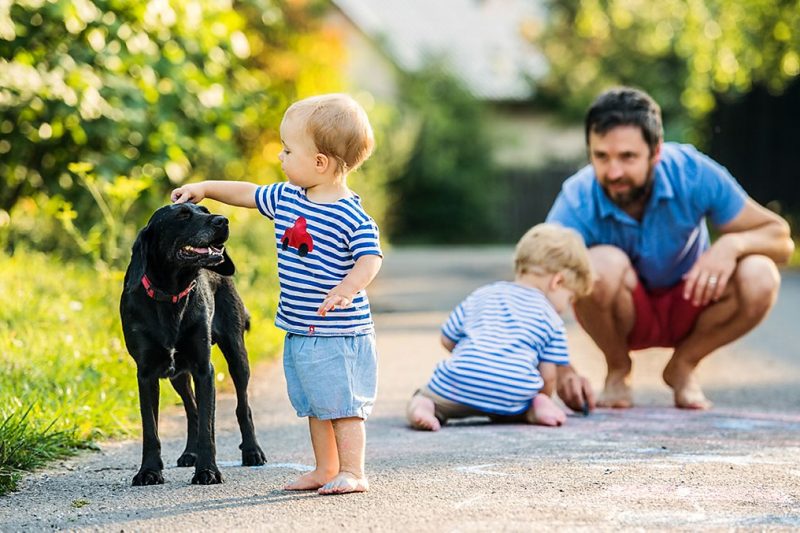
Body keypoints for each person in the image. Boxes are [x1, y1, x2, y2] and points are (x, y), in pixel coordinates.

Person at [171, 93, 382, 495]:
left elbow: (371, 258)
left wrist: (347, 289)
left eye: (288, 150)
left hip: (341, 333)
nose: (281, 158)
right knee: (316, 406)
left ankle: (353, 471)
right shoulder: (287, 198)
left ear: (320, 162)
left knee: (343, 407)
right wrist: (204, 188)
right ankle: (325, 469)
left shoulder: (351, 213)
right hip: (302, 328)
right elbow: (248, 193)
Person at [546, 86, 794, 411]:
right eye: (601, 156)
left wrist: (732, 244)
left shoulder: (693, 173)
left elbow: (781, 239)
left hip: (693, 301)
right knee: (599, 264)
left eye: (628, 157)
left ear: (656, 152)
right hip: (623, 313)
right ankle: (618, 368)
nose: (613, 172)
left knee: (760, 275)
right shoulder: (577, 196)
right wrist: (562, 368)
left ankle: (684, 366)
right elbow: (539, 283)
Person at [406, 223, 593, 431]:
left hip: (459, 384)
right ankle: (537, 409)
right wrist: (541, 397)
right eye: (570, 298)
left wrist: (476, 356)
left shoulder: (482, 294)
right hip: (512, 395)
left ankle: (424, 408)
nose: (565, 308)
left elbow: (447, 338)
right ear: (557, 282)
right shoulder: (551, 318)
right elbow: (548, 375)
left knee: (423, 396)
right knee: (527, 404)